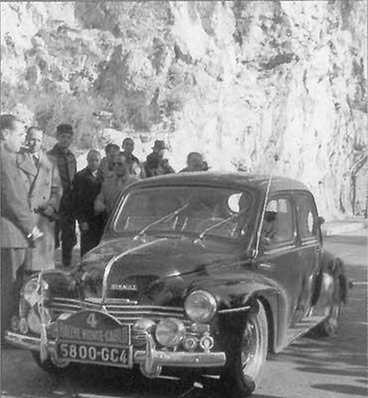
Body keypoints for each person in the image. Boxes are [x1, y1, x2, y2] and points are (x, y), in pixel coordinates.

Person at [0, 114, 42, 342]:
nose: (22, 140)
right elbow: (15, 200)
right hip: (10, 236)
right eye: (19, 135)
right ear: (4, 134)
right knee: (10, 288)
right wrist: (32, 229)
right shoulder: (5, 159)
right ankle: (5, 334)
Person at [17, 126, 62, 273]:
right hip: (22, 218)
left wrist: (52, 205)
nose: (35, 143)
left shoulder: (50, 161)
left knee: (41, 269)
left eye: (38, 140)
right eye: (32, 139)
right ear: (26, 139)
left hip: (43, 219)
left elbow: (57, 189)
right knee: (19, 267)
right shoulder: (15, 159)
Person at [47, 124, 77, 267]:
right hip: (55, 201)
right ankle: (48, 267)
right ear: (57, 137)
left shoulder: (72, 157)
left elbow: (73, 178)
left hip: (70, 202)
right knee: (52, 236)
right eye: (63, 137)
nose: (65, 140)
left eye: (68, 137)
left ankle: (66, 266)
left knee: (69, 237)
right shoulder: (49, 156)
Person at [73, 150, 104, 257]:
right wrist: (81, 220)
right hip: (87, 219)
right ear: (87, 160)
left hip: (101, 219)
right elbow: (76, 201)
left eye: (96, 160)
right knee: (87, 251)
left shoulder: (103, 176)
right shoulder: (80, 177)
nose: (94, 163)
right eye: (92, 160)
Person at [94, 152, 138, 217]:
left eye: (120, 164)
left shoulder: (136, 184)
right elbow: (98, 203)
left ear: (128, 164)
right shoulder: (108, 183)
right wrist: (100, 205)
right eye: (114, 164)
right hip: (112, 222)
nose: (116, 166)